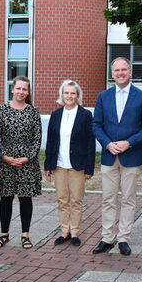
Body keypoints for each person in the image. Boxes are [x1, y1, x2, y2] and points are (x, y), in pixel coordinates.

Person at [91, 57, 142, 255]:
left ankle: (123, 239)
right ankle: (107, 238)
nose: (120, 73)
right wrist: (107, 143)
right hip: (110, 156)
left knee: (128, 199)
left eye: (124, 70)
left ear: (130, 72)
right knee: (108, 199)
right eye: (116, 70)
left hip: (131, 155)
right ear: (112, 74)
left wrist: (130, 142)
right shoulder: (103, 96)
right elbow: (96, 124)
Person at [45, 80, 95, 247]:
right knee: (62, 200)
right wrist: (48, 166)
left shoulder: (86, 115)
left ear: (77, 96)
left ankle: (75, 232)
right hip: (59, 165)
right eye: (66, 93)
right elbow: (50, 141)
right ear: (62, 95)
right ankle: (64, 231)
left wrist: (89, 167)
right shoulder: (55, 115)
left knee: (76, 200)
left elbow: (90, 142)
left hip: (78, 165)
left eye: (72, 93)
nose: (69, 96)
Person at [0, 76, 42, 250]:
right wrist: (3, 156)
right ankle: (4, 234)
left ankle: (25, 235)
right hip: (6, 161)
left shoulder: (33, 112)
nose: (21, 92)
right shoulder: (1, 110)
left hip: (26, 163)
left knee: (25, 198)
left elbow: (37, 139)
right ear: (12, 89)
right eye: (18, 88)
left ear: (28, 92)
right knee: (5, 198)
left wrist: (28, 157)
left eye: (24, 89)